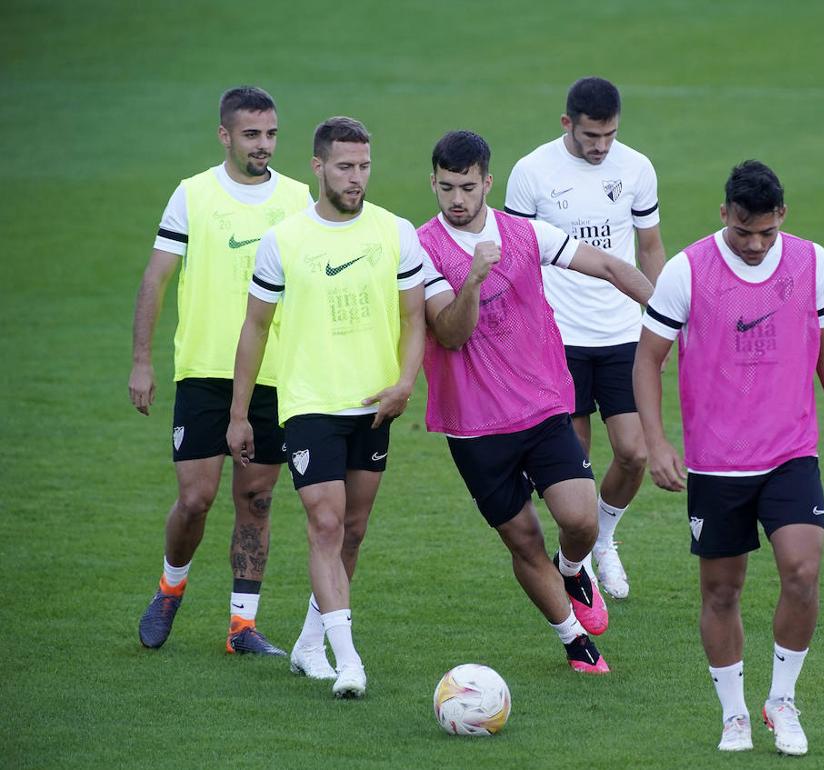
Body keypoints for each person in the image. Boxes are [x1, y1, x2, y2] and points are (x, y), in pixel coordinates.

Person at [635, 160, 824, 755]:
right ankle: (734, 712)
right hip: (715, 464)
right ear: (724, 216)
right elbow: (646, 361)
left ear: (782, 216)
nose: (756, 244)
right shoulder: (687, 270)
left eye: (766, 231)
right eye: (744, 232)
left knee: (803, 571)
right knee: (721, 591)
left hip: (791, 452)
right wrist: (658, 444)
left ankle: (781, 700)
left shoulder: (812, 262)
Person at [418, 130, 653, 674]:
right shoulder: (420, 247)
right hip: (474, 427)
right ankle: (574, 642)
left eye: (468, 187)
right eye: (447, 187)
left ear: (487, 183)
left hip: (542, 406)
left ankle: (573, 569)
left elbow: (612, 267)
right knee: (522, 540)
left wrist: (670, 318)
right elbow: (451, 333)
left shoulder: (526, 233)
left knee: (580, 520)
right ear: (432, 182)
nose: (457, 199)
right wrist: (474, 278)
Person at [228, 116, 428, 698]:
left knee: (354, 531)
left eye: (364, 166)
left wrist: (404, 385)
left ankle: (310, 644)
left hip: (374, 403)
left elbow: (415, 318)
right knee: (325, 521)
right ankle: (349, 661)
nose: (356, 177)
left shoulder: (395, 232)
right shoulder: (284, 240)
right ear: (318, 167)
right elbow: (254, 329)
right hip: (309, 403)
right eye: (344, 167)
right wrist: (240, 413)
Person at [130, 85, 310, 655]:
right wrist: (142, 361)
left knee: (256, 500)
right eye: (252, 134)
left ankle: (242, 628)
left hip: (274, 375)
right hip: (205, 371)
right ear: (225, 135)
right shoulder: (193, 195)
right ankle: (169, 588)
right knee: (197, 498)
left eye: (272, 134)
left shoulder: (300, 199)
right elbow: (155, 279)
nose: (264, 145)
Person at [504, 77, 667, 599]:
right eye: (591, 136)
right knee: (574, 464)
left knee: (635, 452)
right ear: (566, 124)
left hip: (622, 335)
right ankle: (577, 558)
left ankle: (605, 539)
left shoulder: (636, 168)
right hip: (558, 338)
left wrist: (660, 323)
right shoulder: (531, 172)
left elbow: (651, 249)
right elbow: (517, 260)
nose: (601, 147)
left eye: (610, 135)